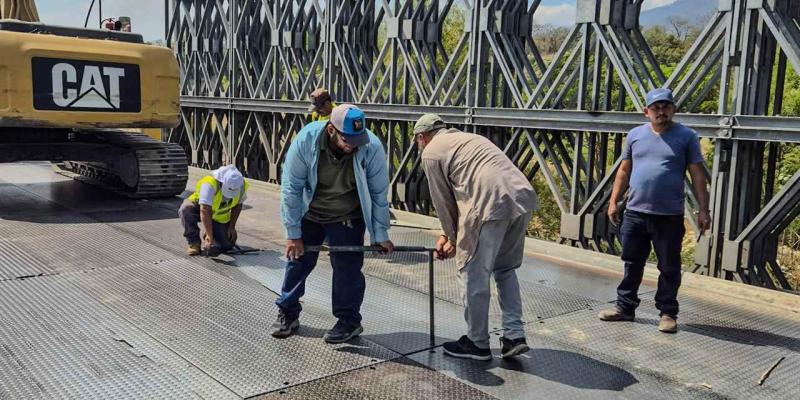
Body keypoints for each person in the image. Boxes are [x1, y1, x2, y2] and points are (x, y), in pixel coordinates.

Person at [413, 114, 539, 361]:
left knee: (472, 272)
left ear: (421, 137)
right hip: (520, 199)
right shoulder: (469, 139)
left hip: (488, 205)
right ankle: (514, 336)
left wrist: (451, 239)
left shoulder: (431, 152)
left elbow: (443, 202)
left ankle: (477, 342)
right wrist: (449, 234)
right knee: (505, 269)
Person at [274, 104, 394, 343]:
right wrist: (293, 233)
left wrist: (380, 234)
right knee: (298, 261)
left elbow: (379, 193)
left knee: (347, 268)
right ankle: (288, 312)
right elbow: (291, 189)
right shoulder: (306, 140)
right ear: (331, 130)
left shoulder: (371, 146)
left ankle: (349, 321)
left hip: (348, 215)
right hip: (311, 212)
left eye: (357, 139)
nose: (353, 145)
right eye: (347, 140)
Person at [598, 88, 710, 333]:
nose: (661, 111)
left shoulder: (687, 136)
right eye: (656, 107)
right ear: (646, 111)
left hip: (668, 216)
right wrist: (613, 201)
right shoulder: (635, 135)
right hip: (635, 212)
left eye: (666, 106)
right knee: (631, 262)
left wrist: (703, 210)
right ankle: (624, 308)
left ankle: (668, 313)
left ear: (673, 109)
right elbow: (624, 170)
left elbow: (698, 175)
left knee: (669, 266)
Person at [179, 165, 248, 256]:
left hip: (218, 218)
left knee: (227, 245)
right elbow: (205, 209)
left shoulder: (241, 185)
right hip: (199, 208)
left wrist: (232, 227)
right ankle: (194, 243)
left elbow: (238, 205)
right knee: (186, 209)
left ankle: (213, 238)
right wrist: (209, 234)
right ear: (221, 182)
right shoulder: (209, 184)